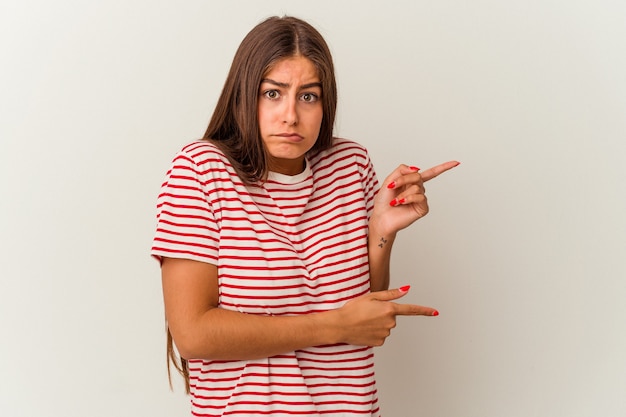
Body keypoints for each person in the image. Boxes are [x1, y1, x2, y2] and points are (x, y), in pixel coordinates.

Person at [151, 15, 459, 417]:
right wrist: (334, 325)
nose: (290, 115)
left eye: (308, 96)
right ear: (245, 95)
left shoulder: (349, 165)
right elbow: (192, 334)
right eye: (273, 93)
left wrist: (381, 232)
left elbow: (363, 320)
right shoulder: (200, 171)